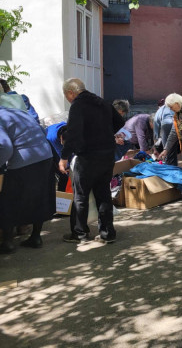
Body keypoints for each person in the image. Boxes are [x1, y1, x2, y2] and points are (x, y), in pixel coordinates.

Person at [60, 78, 124, 244]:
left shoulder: (78, 105)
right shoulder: (101, 102)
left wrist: (64, 157)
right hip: (107, 154)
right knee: (103, 193)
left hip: (87, 156)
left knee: (80, 196)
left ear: (71, 93)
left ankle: (79, 233)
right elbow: (120, 121)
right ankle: (107, 233)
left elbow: (72, 134)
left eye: (66, 96)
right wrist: (105, 133)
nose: (67, 99)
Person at [0, 107, 55, 253]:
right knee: (39, 197)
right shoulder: (17, 111)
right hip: (45, 155)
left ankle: (8, 243)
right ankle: (36, 237)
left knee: (8, 200)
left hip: (24, 160)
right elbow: (42, 131)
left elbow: (5, 146)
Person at [46, 122, 69, 192]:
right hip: (50, 148)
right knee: (63, 173)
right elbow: (61, 155)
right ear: (61, 138)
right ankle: (62, 195)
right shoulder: (52, 138)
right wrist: (68, 168)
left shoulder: (72, 130)